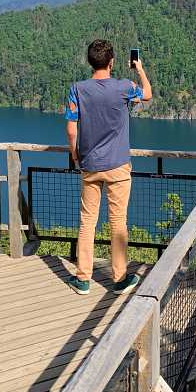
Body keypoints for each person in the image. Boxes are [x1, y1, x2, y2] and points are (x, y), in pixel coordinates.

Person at [64, 39, 152, 295]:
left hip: (90, 165)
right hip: (118, 166)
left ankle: (82, 278)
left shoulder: (77, 89)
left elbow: (71, 129)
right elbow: (147, 94)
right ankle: (120, 278)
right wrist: (140, 69)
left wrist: (75, 155)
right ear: (111, 62)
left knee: (87, 221)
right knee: (118, 222)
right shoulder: (124, 87)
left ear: (90, 61)